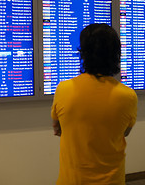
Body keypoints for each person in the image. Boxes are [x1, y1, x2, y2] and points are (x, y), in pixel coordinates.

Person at [51, 23, 138, 185]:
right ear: (116, 54)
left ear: (83, 53)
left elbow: (58, 129)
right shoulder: (128, 96)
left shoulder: (64, 89)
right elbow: (124, 132)